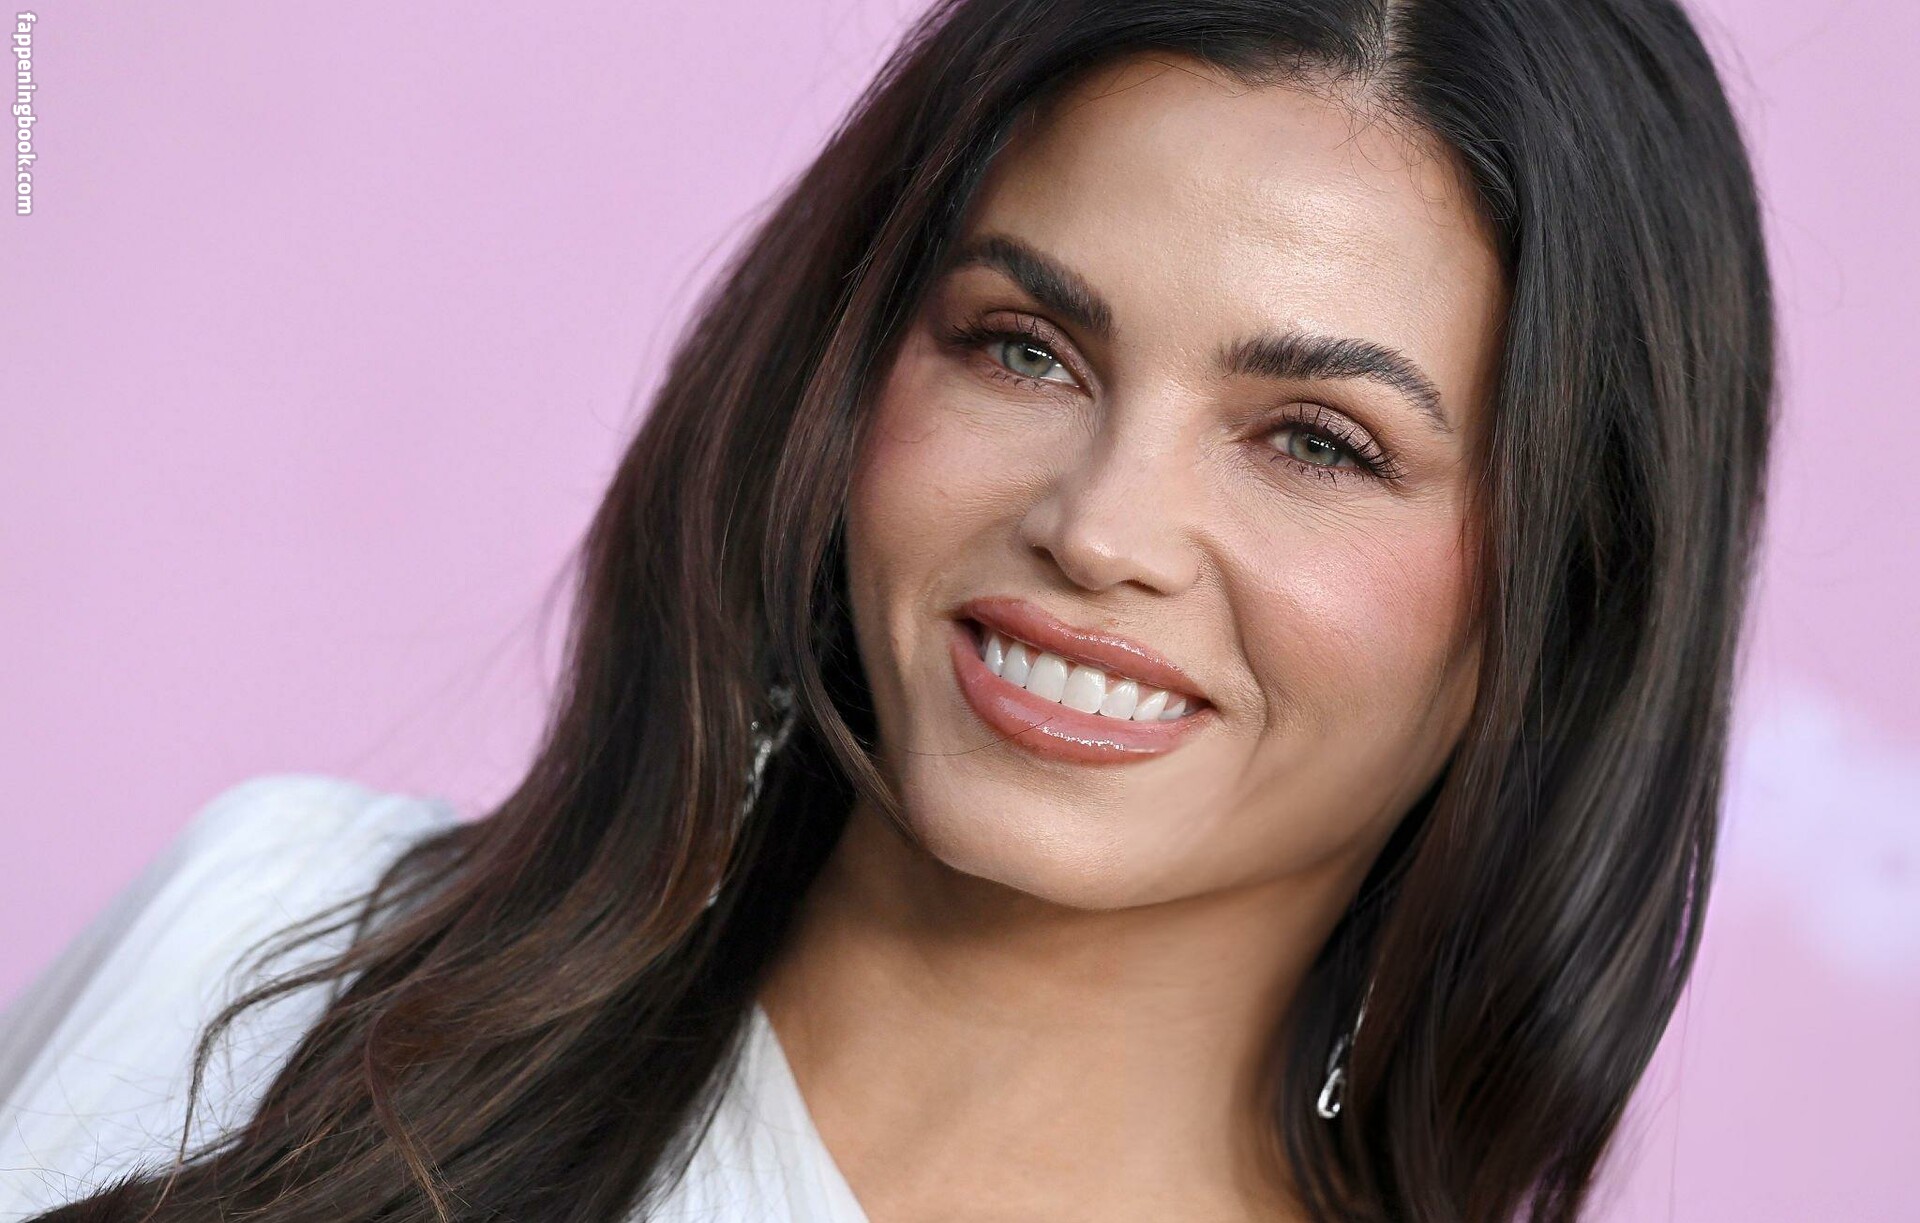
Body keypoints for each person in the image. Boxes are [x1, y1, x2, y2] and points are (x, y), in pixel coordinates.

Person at [0, 0, 1775, 1219]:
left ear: (1573, 588)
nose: (1100, 527)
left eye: (1316, 440)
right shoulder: (277, 948)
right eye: (1025, 348)